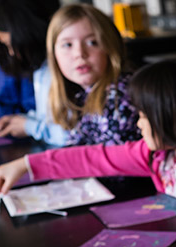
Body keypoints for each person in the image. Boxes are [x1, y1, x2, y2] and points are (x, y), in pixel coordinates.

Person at [0, 57, 176, 229]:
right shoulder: (157, 156)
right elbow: (93, 158)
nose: (139, 124)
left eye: (145, 116)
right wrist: (26, 164)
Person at [43, 3, 141, 146]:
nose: (79, 54)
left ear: (110, 47)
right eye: (67, 45)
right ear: (54, 54)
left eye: (92, 42)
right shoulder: (80, 94)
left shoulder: (120, 95)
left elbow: (103, 161)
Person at [0, 0, 67, 145]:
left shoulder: (63, 69)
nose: (11, 53)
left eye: (10, 45)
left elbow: (66, 135)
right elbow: (47, 117)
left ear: (23, 34)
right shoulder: (41, 69)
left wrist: (29, 126)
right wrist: (21, 120)